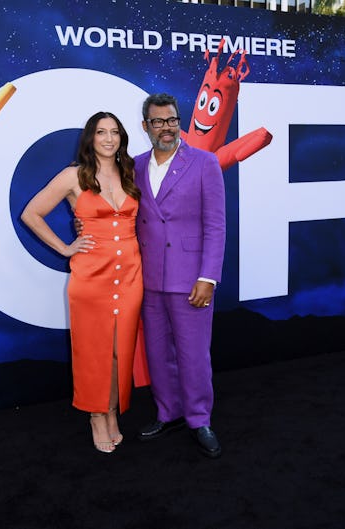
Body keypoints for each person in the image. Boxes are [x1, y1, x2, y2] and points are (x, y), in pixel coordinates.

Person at [20, 112, 142, 454]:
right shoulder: (74, 176)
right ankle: (96, 416)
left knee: (120, 352)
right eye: (101, 132)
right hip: (91, 276)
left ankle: (112, 412)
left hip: (132, 274)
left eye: (114, 132)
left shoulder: (131, 172)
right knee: (94, 353)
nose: (108, 138)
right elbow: (31, 213)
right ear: (90, 138)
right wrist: (65, 247)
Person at [133, 93, 226, 458]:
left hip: (192, 279)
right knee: (157, 353)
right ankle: (168, 412)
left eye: (171, 120)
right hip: (148, 279)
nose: (166, 128)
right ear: (146, 127)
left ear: (179, 122)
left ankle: (199, 418)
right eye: (158, 122)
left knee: (193, 354)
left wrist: (209, 277)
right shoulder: (135, 166)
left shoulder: (204, 163)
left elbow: (216, 226)